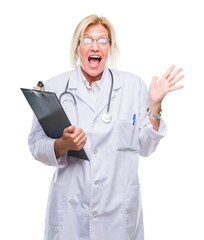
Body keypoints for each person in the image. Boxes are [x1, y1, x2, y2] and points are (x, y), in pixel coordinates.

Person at [28, 14, 184, 240]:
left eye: (103, 41)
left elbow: (146, 146)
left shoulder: (133, 86)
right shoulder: (55, 87)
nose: (96, 46)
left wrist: (155, 104)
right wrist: (62, 145)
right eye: (88, 40)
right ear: (77, 48)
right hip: (71, 214)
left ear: (110, 48)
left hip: (118, 216)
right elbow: (35, 144)